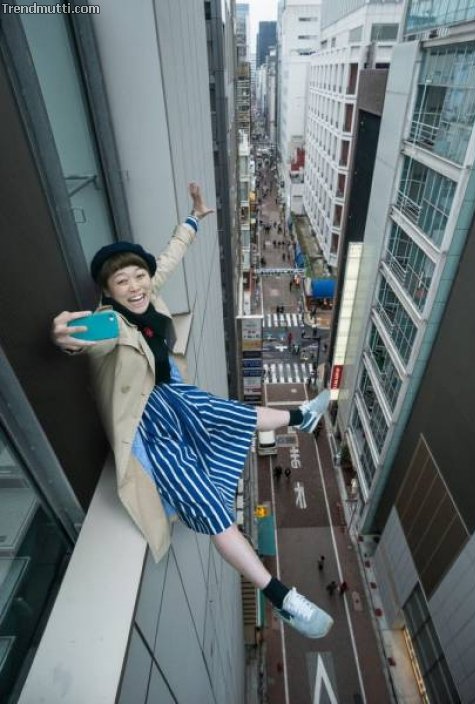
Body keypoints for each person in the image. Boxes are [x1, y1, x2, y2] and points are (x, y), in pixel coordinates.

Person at [51, 183, 333, 641]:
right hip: (149, 426)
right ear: (107, 291)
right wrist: (64, 335)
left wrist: (195, 218)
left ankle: (302, 418)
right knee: (212, 508)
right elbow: (80, 338)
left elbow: (167, 259)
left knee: (234, 413)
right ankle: (280, 597)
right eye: (122, 282)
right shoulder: (109, 322)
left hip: (175, 396)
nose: (135, 286)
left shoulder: (147, 295)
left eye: (138, 276)